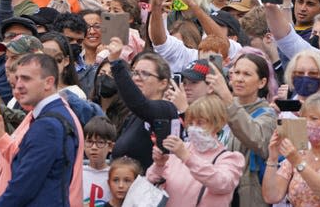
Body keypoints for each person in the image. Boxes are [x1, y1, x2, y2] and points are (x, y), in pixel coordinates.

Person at [0, 53, 81, 206]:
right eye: (17, 78)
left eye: (26, 78)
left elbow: (22, 187)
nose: (18, 85)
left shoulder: (48, 126)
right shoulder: (55, 115)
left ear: (48, 82)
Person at [207, 48, 277, 207]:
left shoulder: (267, 115)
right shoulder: (222, 108)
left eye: (247, 74)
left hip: (246, 197)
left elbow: (256, 139)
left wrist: (227, 98)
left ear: (262, 82)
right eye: (236, 73)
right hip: (217, 191)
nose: (239, 79)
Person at [147, 94, 245, 207]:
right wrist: (159, 165)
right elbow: (150, 179)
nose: (193, 128)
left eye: (200, 122)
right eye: (191, 123)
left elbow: (222, 184)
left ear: (218, 123)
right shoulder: (178, 150)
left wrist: (187, 157)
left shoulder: (229, 158)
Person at [107, 40, 178, 171]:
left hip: (151, 187)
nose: (136, 78)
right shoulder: (134, 116)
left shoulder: (166, 109)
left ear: (163, 83)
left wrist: (116, 63)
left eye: (145, 74)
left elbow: (139, 104)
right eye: (135, 72)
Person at [82, 116, 116, 207]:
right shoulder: (77, 173)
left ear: (110, 147)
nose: (94, 147)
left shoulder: (115, 175)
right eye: (89, 142)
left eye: (100, 143)